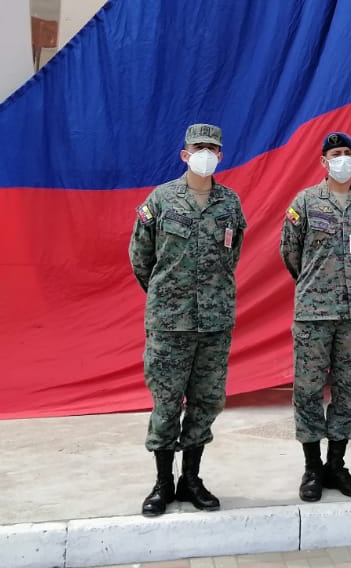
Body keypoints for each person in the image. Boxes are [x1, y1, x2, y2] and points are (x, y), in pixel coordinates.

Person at [129, 123, 247, 516]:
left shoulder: (229, 203)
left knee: (206, 402)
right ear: (185, 155)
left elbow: (232, 255)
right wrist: (167, 296)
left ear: (221, 156)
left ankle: (191, 480)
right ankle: (163, 483)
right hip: (169, 324)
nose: (205, 154)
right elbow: (140, 257)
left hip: (214, 323)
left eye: (212, 148)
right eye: (199, 148)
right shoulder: (161, 199)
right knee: (166, 404)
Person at [280, 131, 351, 502]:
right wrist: (316, 283)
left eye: (347, 153)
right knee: (308, 390)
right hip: (313, 313)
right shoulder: (305, 202)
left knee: (350, 388)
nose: (342, 159)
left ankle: (336, 464)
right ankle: (312, 468)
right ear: (324, 162)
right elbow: (290, 252)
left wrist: (350, 282)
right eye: (335, 154)